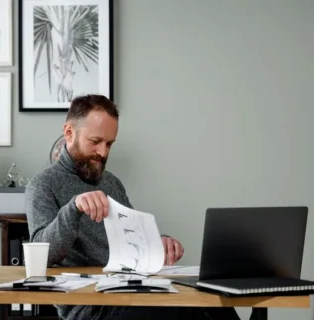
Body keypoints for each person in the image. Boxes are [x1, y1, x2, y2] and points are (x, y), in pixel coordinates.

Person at [25, 94, 240, 320]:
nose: (103, 152)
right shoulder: (42, 185)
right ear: (69, 133)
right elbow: (42, 254)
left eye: (109, 144)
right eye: (96, 142)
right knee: (183, 312)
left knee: (215, 300)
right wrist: (74, 208)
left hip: (133, 293)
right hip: (92, 308)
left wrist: (158, 244)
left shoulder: (111, 183)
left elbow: (132, 241)